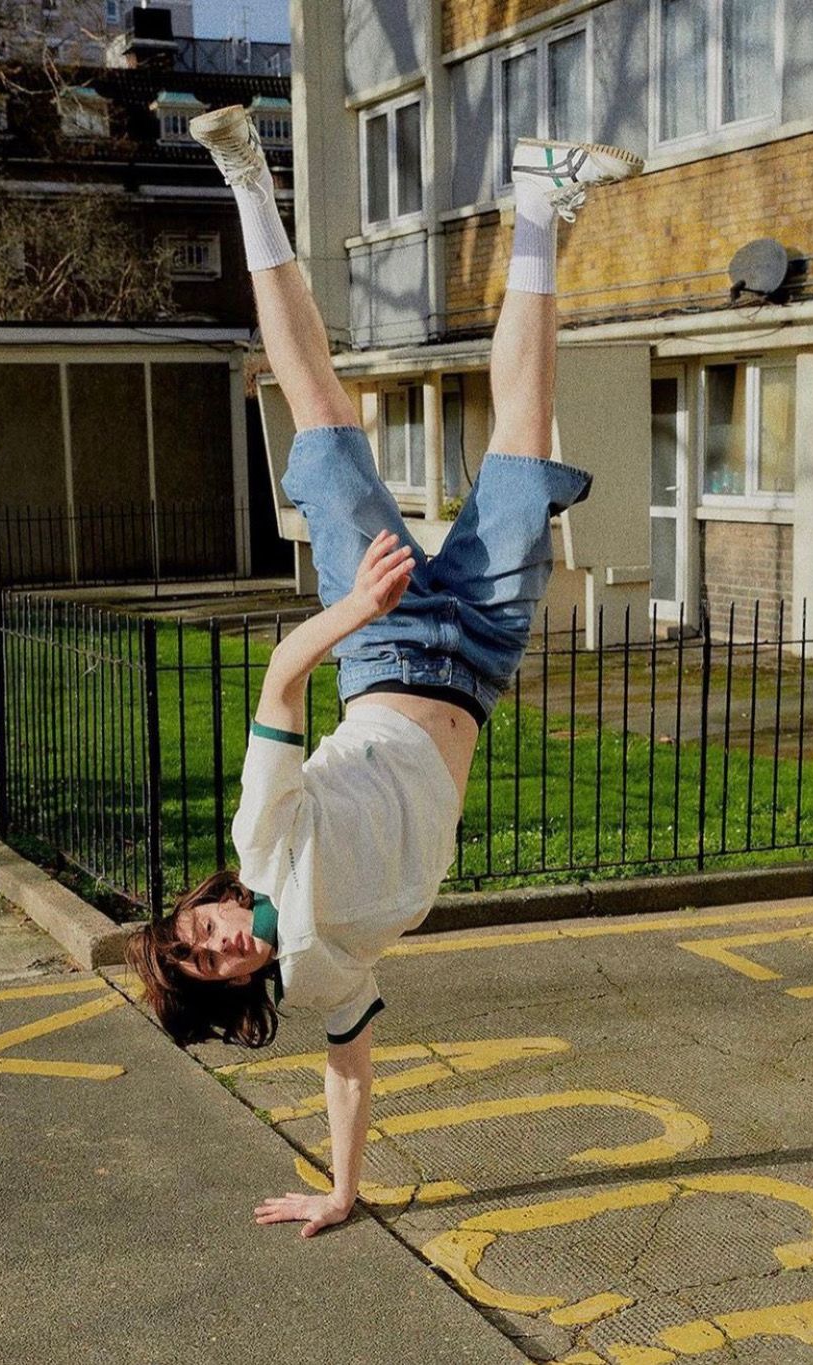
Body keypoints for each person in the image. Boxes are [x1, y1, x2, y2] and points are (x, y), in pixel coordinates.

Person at [126, 106, 643, 1236]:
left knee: (321, 417)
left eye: (201, 934)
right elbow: (349, 1070)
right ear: (239, 991)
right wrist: (343, 1188)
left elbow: (277, 688)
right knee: (527, 430)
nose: (225, 942)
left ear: (203, 909)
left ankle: (246, 181)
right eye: (216, 966)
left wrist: (355, 607)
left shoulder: (259, 838)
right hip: (480, 667)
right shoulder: (318, 980)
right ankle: (542, 199)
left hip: (387, 641)